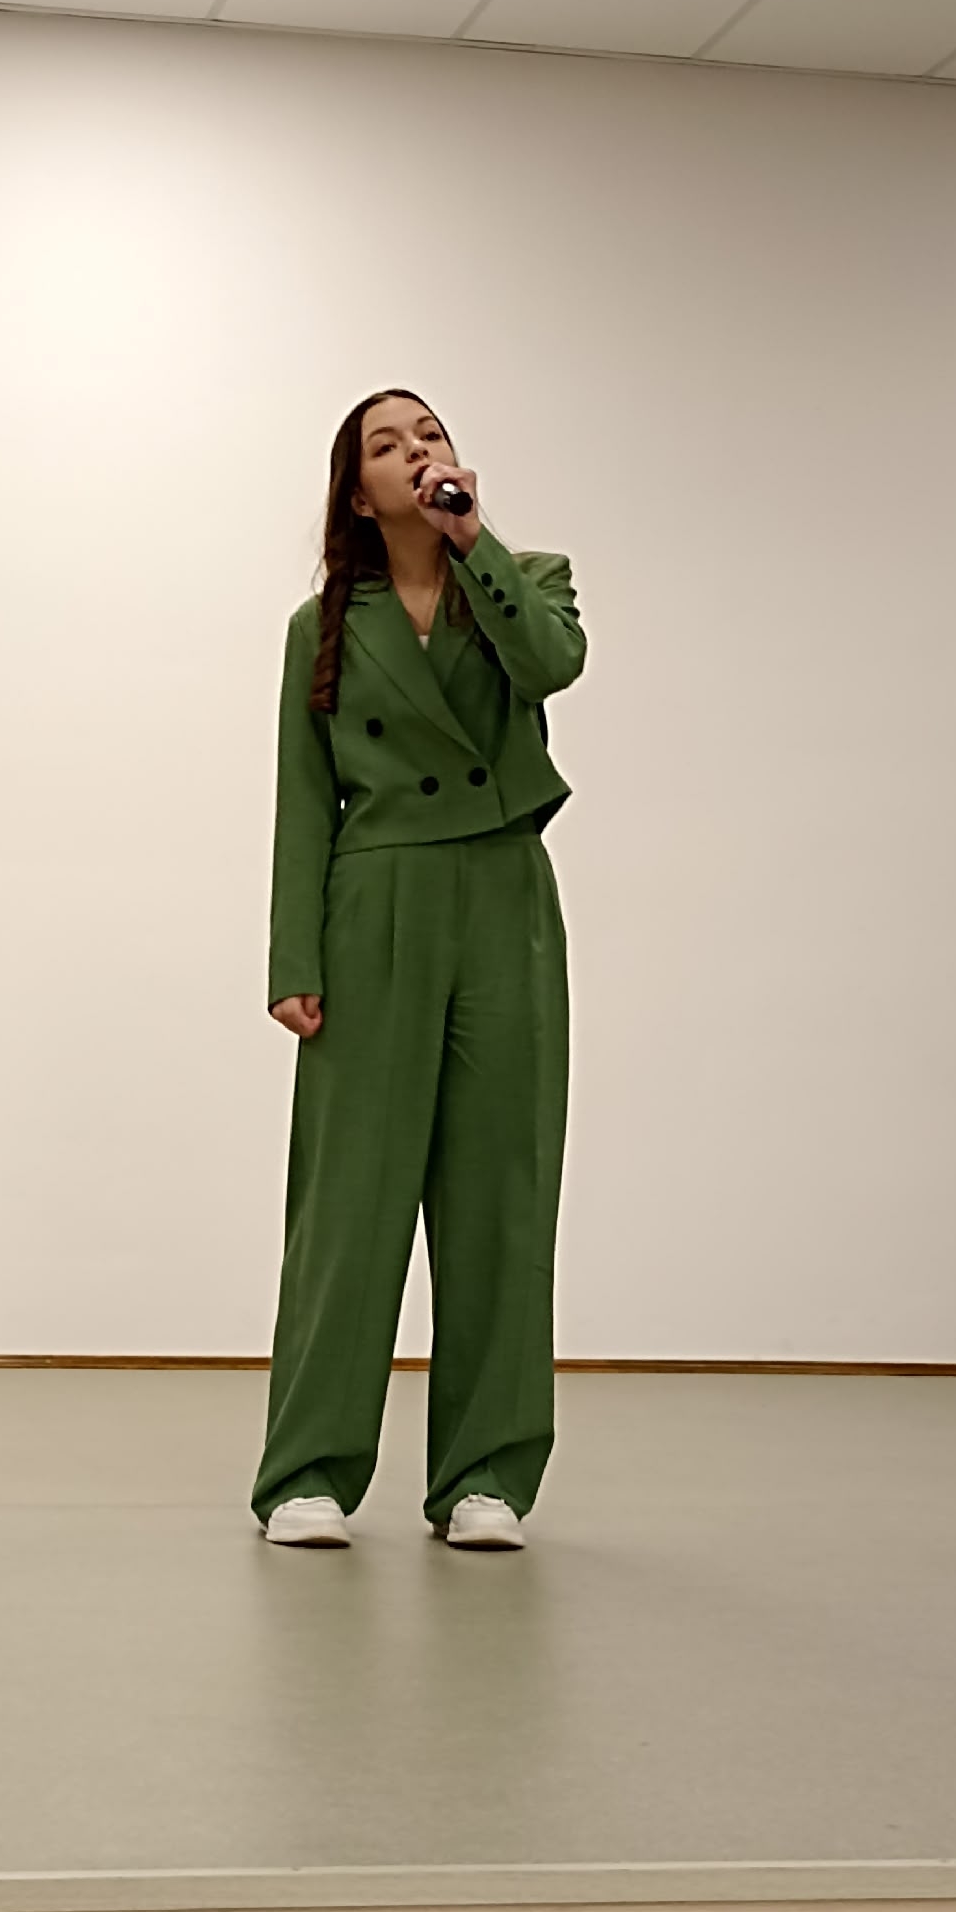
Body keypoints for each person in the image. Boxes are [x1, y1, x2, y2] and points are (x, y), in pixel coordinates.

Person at [252, 389, 587, 1551]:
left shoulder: (523, 577)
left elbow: (552, 666)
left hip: (501, 894)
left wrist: (469, 541)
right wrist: (293, 955)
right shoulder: (321, 626)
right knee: (348, 1200)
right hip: (375, 901)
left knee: (501, 1192)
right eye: (386, 446)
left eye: (428, 435)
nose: (414, 452)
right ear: (357, 493)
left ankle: (486, 1476)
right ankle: (306, 1472)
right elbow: (303, 798)